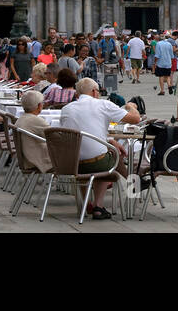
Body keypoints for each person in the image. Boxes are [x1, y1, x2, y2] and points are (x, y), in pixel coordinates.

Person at [60, 78, 140, 220]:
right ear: (94, 92)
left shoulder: (66, 109)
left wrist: (109, 141)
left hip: (71, 165)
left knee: (102, 153)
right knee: (112, 155)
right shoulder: (103, 104)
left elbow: (79, 133)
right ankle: (103, 202)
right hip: (97, 163)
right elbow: (135, 119)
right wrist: (130, 106)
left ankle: (86, 201)